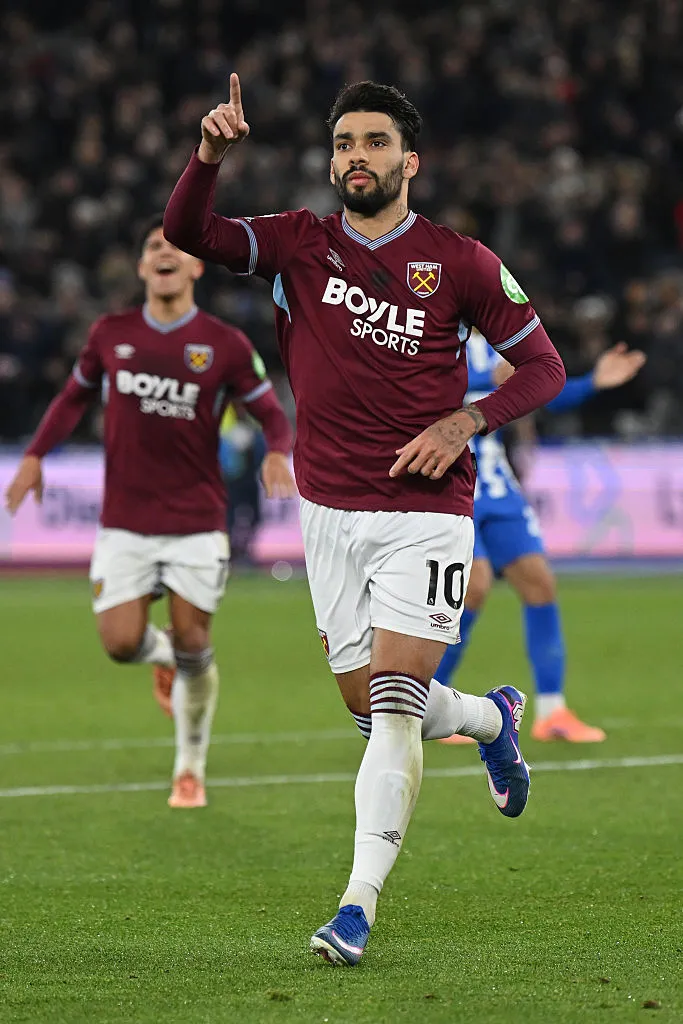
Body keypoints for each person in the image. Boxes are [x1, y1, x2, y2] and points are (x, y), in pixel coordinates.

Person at [163, 76, 566, 965]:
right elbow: (188, 234)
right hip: (328, 511)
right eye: (344, 143)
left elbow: (542, 367)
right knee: (369, 704)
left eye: (375, 143)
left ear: (409, 161)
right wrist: (208, 158)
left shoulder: (459, 261)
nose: (356, 157)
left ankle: (355, 907)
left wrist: (465, 419)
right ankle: (494, 719)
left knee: (390, 708)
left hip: (426, 513)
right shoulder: (296, 244)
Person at [4, 215, 295, 809]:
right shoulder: (111, 333)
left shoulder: (225, 344)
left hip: (195, 520)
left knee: (196, 642)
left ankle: (190, 767)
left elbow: (271, 413)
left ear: (194, 266)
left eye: (174, 247)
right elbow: (71, 398)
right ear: (141, 268)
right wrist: (35, 455)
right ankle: (158, 656)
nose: (163, 253)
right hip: (125, 522)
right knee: (118, 643)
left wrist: (278, 454)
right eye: (152, 248)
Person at [436, 335, 646, 744]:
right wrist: (488, 380)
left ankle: (552, 712)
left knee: (539, 583)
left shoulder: (495, 342)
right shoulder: (431, 332)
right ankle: (430, 703)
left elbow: (538, 395)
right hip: (451, 479)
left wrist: (592, 383)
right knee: (473, 587)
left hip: (497, 485)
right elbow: (414, 393)